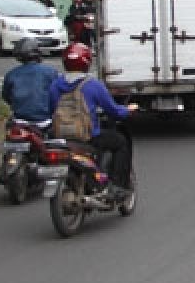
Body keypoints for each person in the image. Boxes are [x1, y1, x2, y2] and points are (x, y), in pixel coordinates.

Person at [50, 43, 138, 196]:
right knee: (120, 142)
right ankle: (116, 186)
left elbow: (51, 109)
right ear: (87, 62)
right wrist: (128, 110)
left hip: (60, 138)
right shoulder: (92, 85)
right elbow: (114, 111)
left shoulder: (55, 85)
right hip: (87, 138)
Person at [1, 38, 60, 123]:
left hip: (19, 120)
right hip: (45, 120)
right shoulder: (51, 72)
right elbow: (56, 96)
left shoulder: (11, 74)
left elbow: (6, 97)